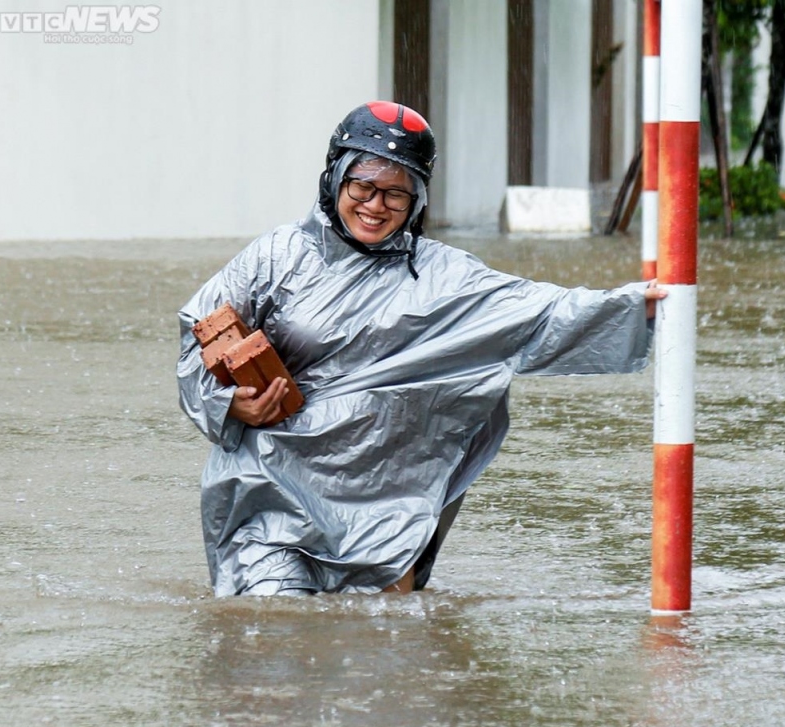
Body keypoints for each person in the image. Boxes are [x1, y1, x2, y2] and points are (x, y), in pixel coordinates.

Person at [177, 101, 664, 597]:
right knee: (270, 632)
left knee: (387, 653)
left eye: (396, 193)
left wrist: (634, 305)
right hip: (268, 492)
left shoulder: (447, 276)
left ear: (418, 202)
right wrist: (228, 403)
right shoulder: (276, 256)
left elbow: (540, 311)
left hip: (383, 507)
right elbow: (197, 341)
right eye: (362, 186)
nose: (375, 205)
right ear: (334, 179)